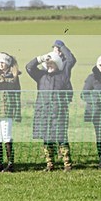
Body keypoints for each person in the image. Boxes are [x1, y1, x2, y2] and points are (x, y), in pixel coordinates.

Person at [26, 40, 77, 171]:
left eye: (52, 63)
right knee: (47, 140)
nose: (49, 65)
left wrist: (60, 46)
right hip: (43, 113)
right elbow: (29, 67)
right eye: (47, 63)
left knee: (61, 139)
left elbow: (71, 60)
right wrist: (40, 58)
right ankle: (50, 164)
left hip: (59, 113)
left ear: (57, 64)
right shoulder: (40, 76)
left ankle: (67, 165)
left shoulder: (63, 75)